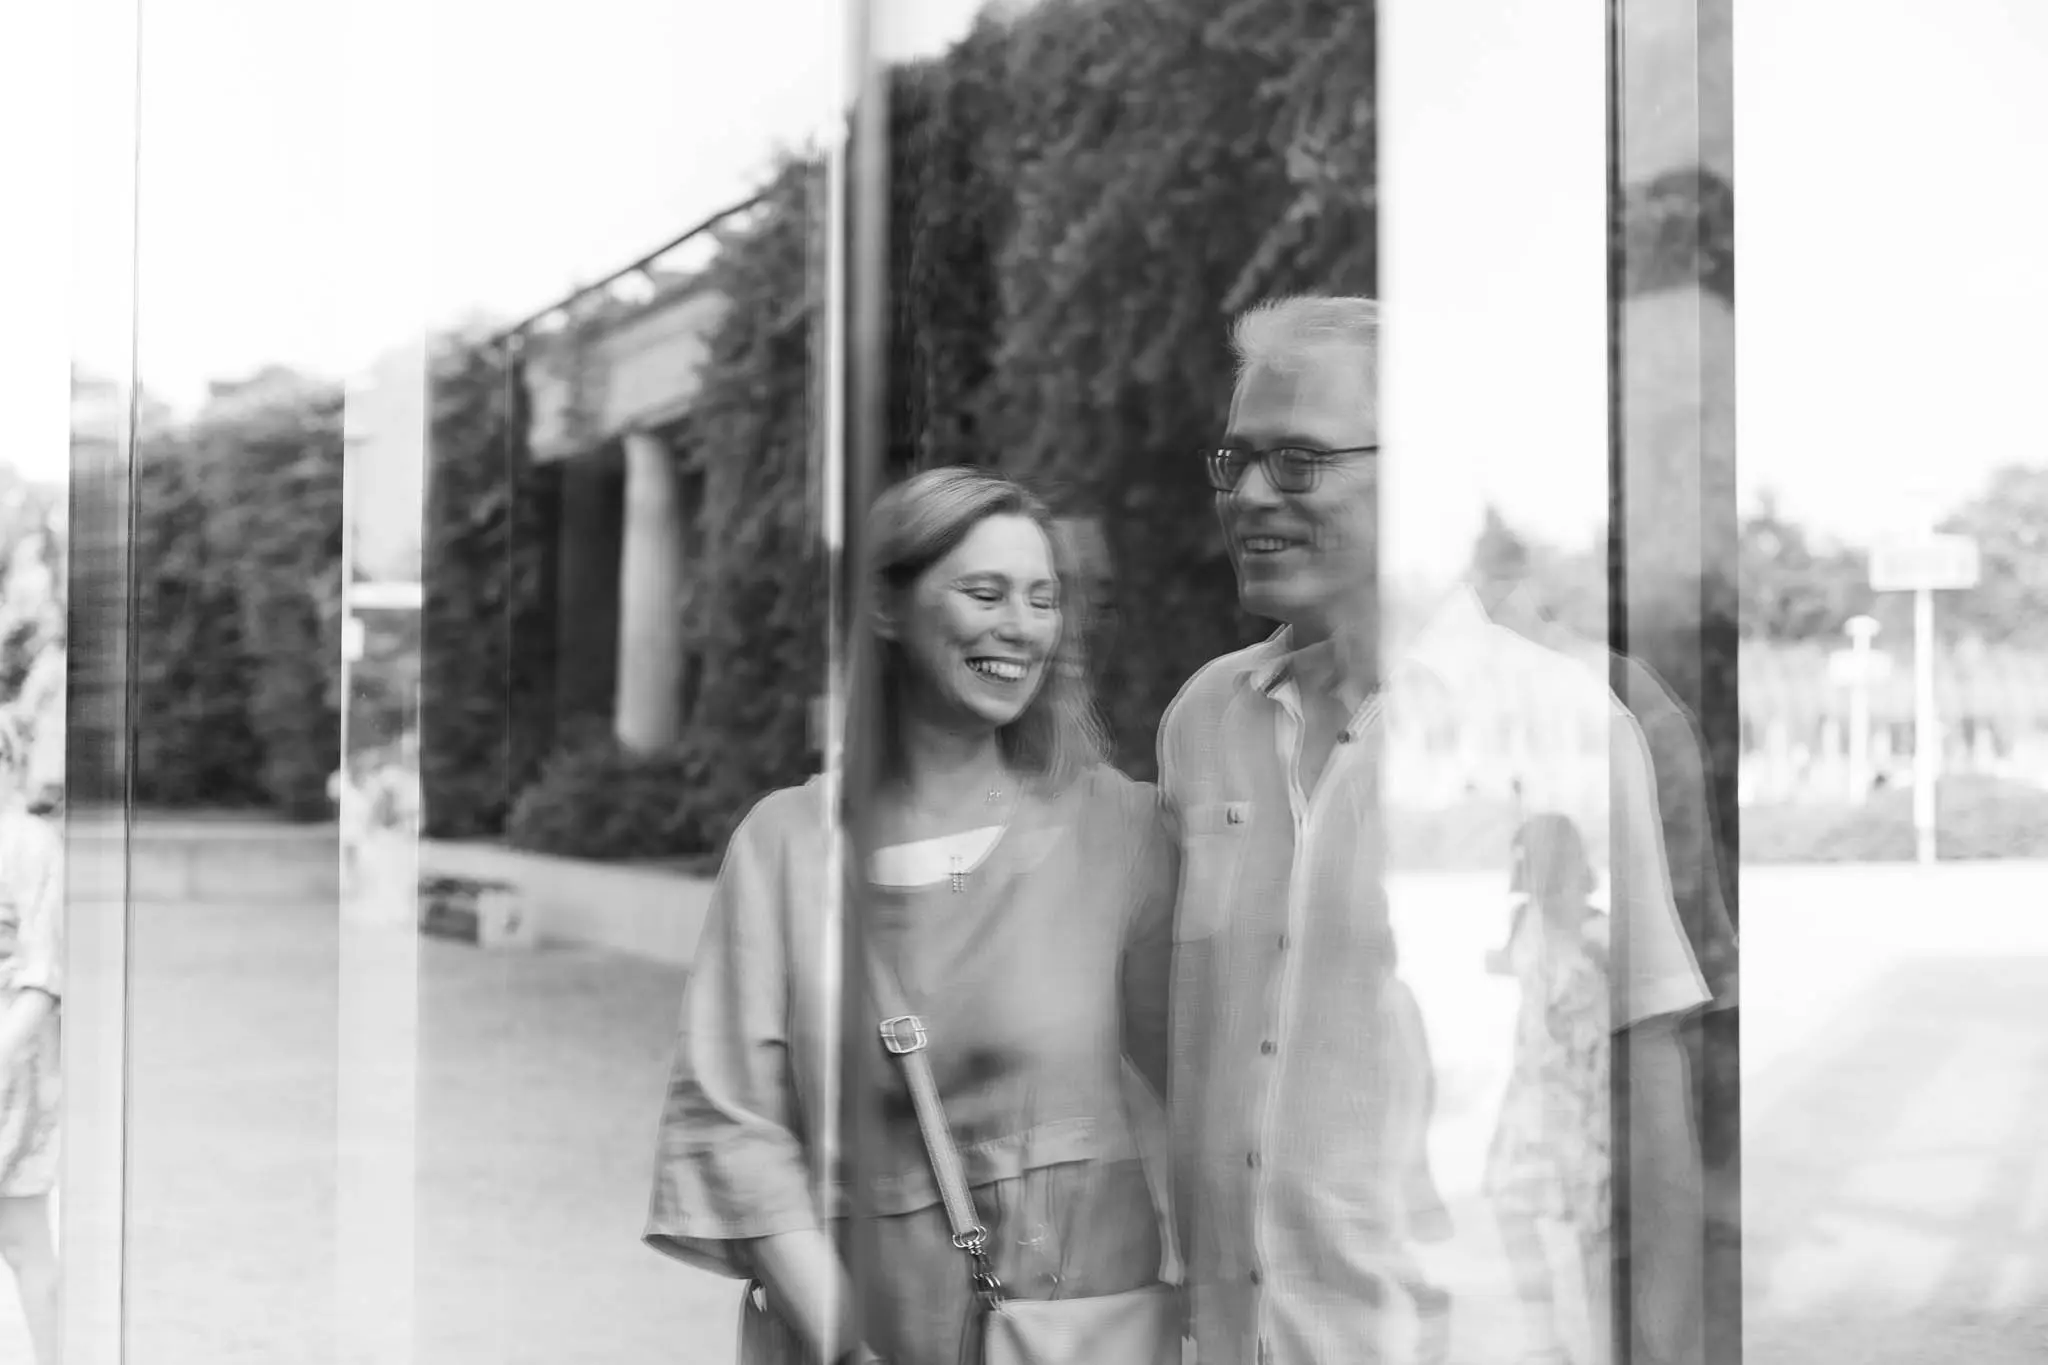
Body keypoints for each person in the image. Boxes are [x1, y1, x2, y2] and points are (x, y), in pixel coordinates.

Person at [1157, 294, 1714, 1364]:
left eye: (1299, 462)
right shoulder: (1203, 720)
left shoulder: (1562, 725)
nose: (1251, 494)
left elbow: (1645, 1082)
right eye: (1236, 460)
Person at [645, 467, 1177, 1365]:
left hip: (1080, 1331)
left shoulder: (1120, 829)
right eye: (985, 593)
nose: (1023, 626)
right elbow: (734, 1131)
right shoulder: (787, 844)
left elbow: (1207, 1084)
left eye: (1043, 598)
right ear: (886, 607)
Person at [1484, 815, 1613, 1365]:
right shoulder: (1526, 921)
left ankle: (1606, 1349)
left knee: (1594, 1236)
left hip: (1586, 1100)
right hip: (1534, 1098)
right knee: (1510, 1208)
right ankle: (1544, 1341)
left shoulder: (1600, 932)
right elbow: (1511, 962)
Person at [0, 720, 64, 1365]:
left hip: (10, 1063)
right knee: (25, 1241)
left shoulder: (27, 841)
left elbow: (44, 975)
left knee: (23, 1239)